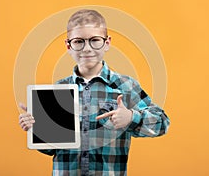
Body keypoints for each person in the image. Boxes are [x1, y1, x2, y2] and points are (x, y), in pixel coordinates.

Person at [18, 9, 170, 176]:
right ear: (68, 46)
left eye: (95, 40)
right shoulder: (57, 90)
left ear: (107, 43)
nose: (87, 48)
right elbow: (52, 150)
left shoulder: (126, 86)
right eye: (78, 41)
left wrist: (131, 118)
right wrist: (38, 130)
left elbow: (163, 123)